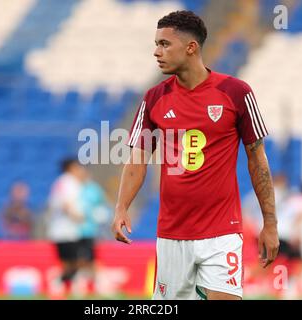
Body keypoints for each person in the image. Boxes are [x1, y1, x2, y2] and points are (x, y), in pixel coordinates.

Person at [111, 10, 279, 300]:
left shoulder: (235, 93)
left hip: (222, 233)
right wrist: (121, 207)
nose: (156, 52)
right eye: (156, 44)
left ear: (191, 48)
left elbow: (257, 159)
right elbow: (138, 158)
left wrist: (270, 224)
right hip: (172, 234)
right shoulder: (154, 98)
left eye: (164, 44)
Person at [46, 158, 86, 297]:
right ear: (71, 168)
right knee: (75, 261)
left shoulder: (59, 182)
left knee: (68, 262)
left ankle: (64, 287)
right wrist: (78, 216)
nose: (81, 170)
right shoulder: (70, 182)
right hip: (67, 230)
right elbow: (66, 203)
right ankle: (59, 283)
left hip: (59, 229)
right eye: (78, 167)